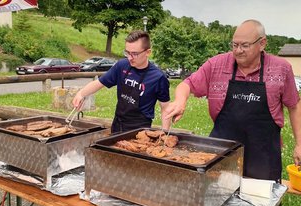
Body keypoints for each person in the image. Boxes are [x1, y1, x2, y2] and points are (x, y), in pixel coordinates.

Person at [165, 19, 301, 184]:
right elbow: (187, 84)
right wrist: (180, 100)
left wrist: (299, 144)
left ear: (262, 43)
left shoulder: (281, 68)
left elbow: (294, 106)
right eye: (234, 45)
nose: (238, 51)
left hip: (263, 156)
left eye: (244, 45)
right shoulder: (216, 65)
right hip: (222, 152)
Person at [72, 30, 170, 133]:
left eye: (135, 54)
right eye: (127, 53)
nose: (130, 58)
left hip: (140, 130)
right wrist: (81, 94)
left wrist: (165, 134)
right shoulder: (122, 66)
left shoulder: (158, 77)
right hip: (118, 124)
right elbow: (99, 83)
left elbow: (165, 109)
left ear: (148, 52)